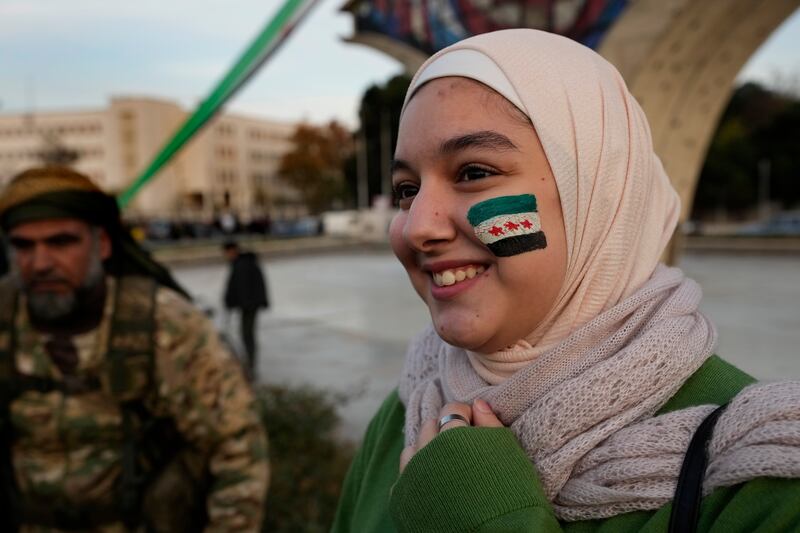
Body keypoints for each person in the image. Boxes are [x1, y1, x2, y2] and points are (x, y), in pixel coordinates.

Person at [331, 29, 800, 532]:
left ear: (595, 195)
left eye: (472, 172)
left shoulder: (762, 473)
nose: (418, 226)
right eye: (407, 188)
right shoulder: (409, 409)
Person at [0, 166, 269, 532]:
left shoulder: (164, 326)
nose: (41, 263)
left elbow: (238, 450)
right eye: (23, 246)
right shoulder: (5, 320)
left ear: (103, 245)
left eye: (61, 242)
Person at [223, 240, 269, 378]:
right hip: (248, 305)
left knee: (247, 335)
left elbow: (242, 287)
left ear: (233, 250)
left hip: (249, 306)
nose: (226, 256)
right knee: (246, 334)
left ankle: (251, 366)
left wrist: (233, 303)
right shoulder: (242, 263)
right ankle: (249, 364)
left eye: (227, 253)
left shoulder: (243, 264)